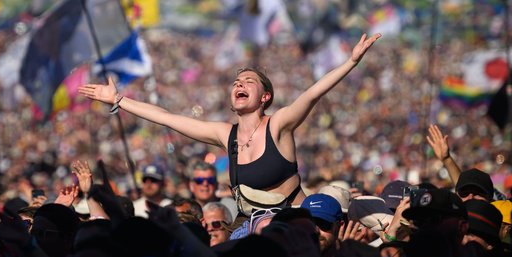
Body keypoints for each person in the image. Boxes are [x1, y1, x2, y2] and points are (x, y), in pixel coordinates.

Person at [78, 33, 381, 212]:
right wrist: (119, 100)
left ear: (265, 97)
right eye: (237, 81)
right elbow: (168, 118)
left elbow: (313, 93)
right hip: (249, 230)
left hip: (295, 224)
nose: (240, 84)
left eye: (249, 81)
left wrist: (351, 61)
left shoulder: (278, 126)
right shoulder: (226, 135)